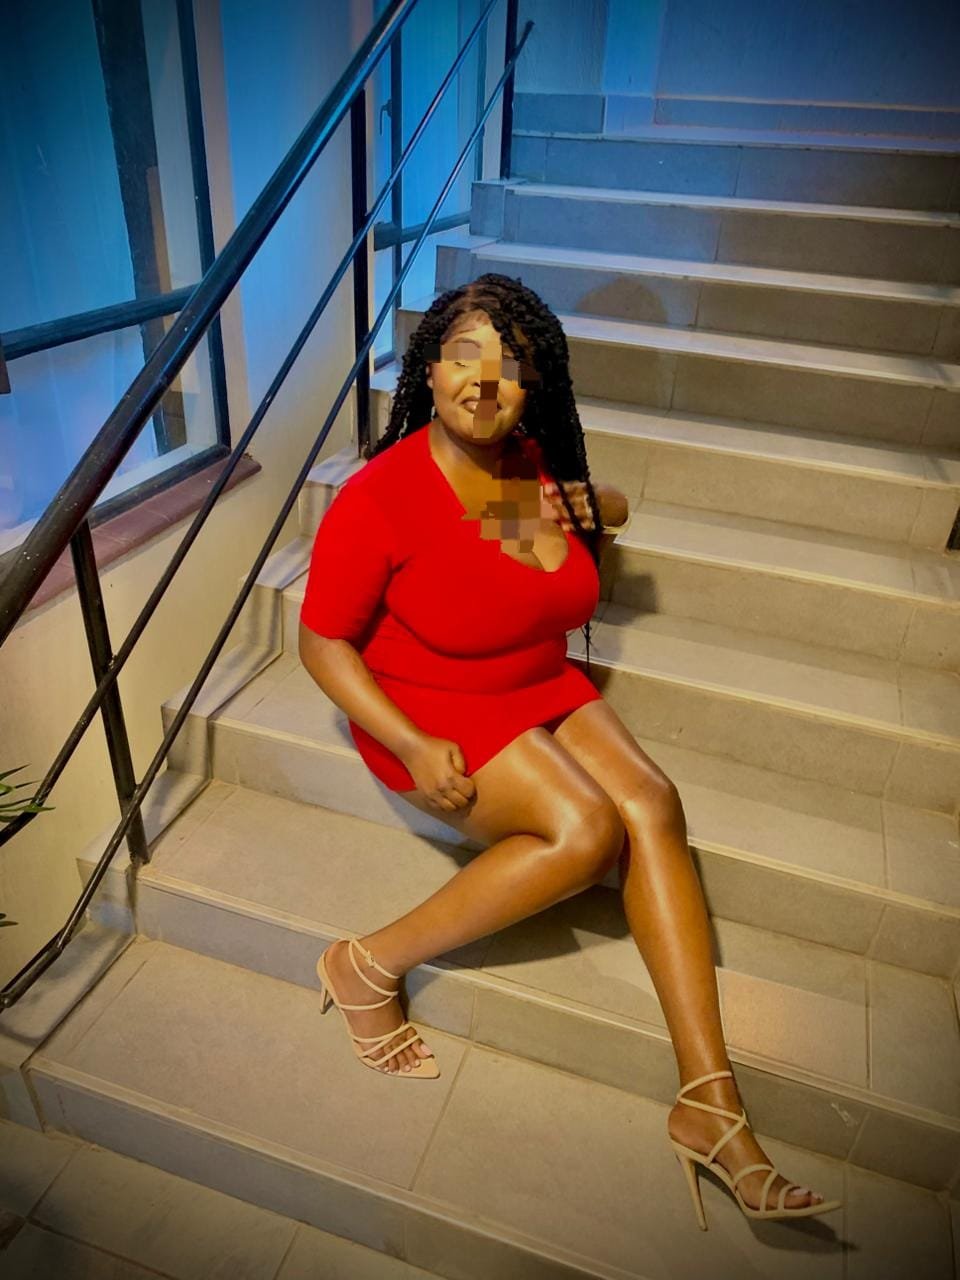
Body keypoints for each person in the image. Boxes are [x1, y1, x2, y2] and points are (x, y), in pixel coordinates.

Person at [300, 273, 840, 1228]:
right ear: (428, 371)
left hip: (530, 677)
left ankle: (708, 1101)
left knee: (654, 804)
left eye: (510, 367)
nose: (484, 381)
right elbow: (322, 642)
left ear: (533, 385)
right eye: (463, 356)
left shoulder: (518, 467)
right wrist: (410, 742)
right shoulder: (380, 498)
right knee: (587, 830)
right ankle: (365, 963)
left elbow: (514, 563)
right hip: (428, 701)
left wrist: (585, 503)